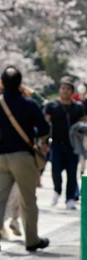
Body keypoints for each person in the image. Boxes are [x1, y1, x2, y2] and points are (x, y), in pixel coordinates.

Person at [0, 66, 51, 252]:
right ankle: (31, 240)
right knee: (28, 200)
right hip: (23, 156)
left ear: (1, 83)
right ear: (20, 84)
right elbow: (45, 129)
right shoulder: (29, 104)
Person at [44, 76, 84, 209]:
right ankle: (57, 190)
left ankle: (70, 198)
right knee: (56, 170)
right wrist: (43, 140)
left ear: (72, 91)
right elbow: (46, 122)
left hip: (73, 145)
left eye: (68, 89)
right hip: (56, 143)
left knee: (72, 172)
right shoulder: (52, 105)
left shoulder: (77, 107)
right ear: (59, 90)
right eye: (63, 88)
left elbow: (83, 123)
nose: (65, 91)